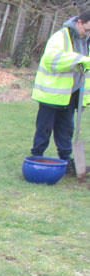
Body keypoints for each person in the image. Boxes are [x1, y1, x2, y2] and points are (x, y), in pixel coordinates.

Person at [30, 11, 90, 175]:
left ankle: (66, 161)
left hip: (72, 94)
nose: (88, 33)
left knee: (66, 129)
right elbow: (51, 59)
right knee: (45, 128)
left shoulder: (88, 41)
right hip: (52, 93)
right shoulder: (61, 36)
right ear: (79, 22)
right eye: (88, 29)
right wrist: (79, 59)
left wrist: (85, 99)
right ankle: (36, 158)